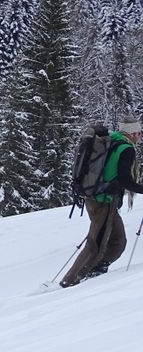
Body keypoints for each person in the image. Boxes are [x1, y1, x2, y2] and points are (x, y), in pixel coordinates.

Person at [61, 119, 143, 287]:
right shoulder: (126, 149)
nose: (140, 137)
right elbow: (125, 180)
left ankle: (95, 273)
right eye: (139, 133)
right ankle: (71, 281)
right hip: (102, 200)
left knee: (118, 241)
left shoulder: (112, 140)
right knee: (95, 244)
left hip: (98, 199)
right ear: (132, 133)